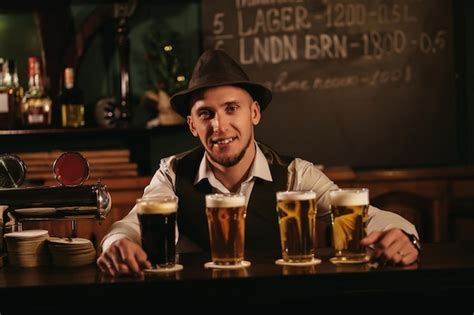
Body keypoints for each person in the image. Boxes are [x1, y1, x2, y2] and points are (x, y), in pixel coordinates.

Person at [97, 49, 421, 276]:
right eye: (206, 114)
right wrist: (117, 243)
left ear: (254, 113)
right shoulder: (171, 172)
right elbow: (130, 225)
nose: (219, 126)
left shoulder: (296, 175)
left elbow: (370, 219)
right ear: (192, 125)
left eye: (231, 108)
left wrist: (403, 236)